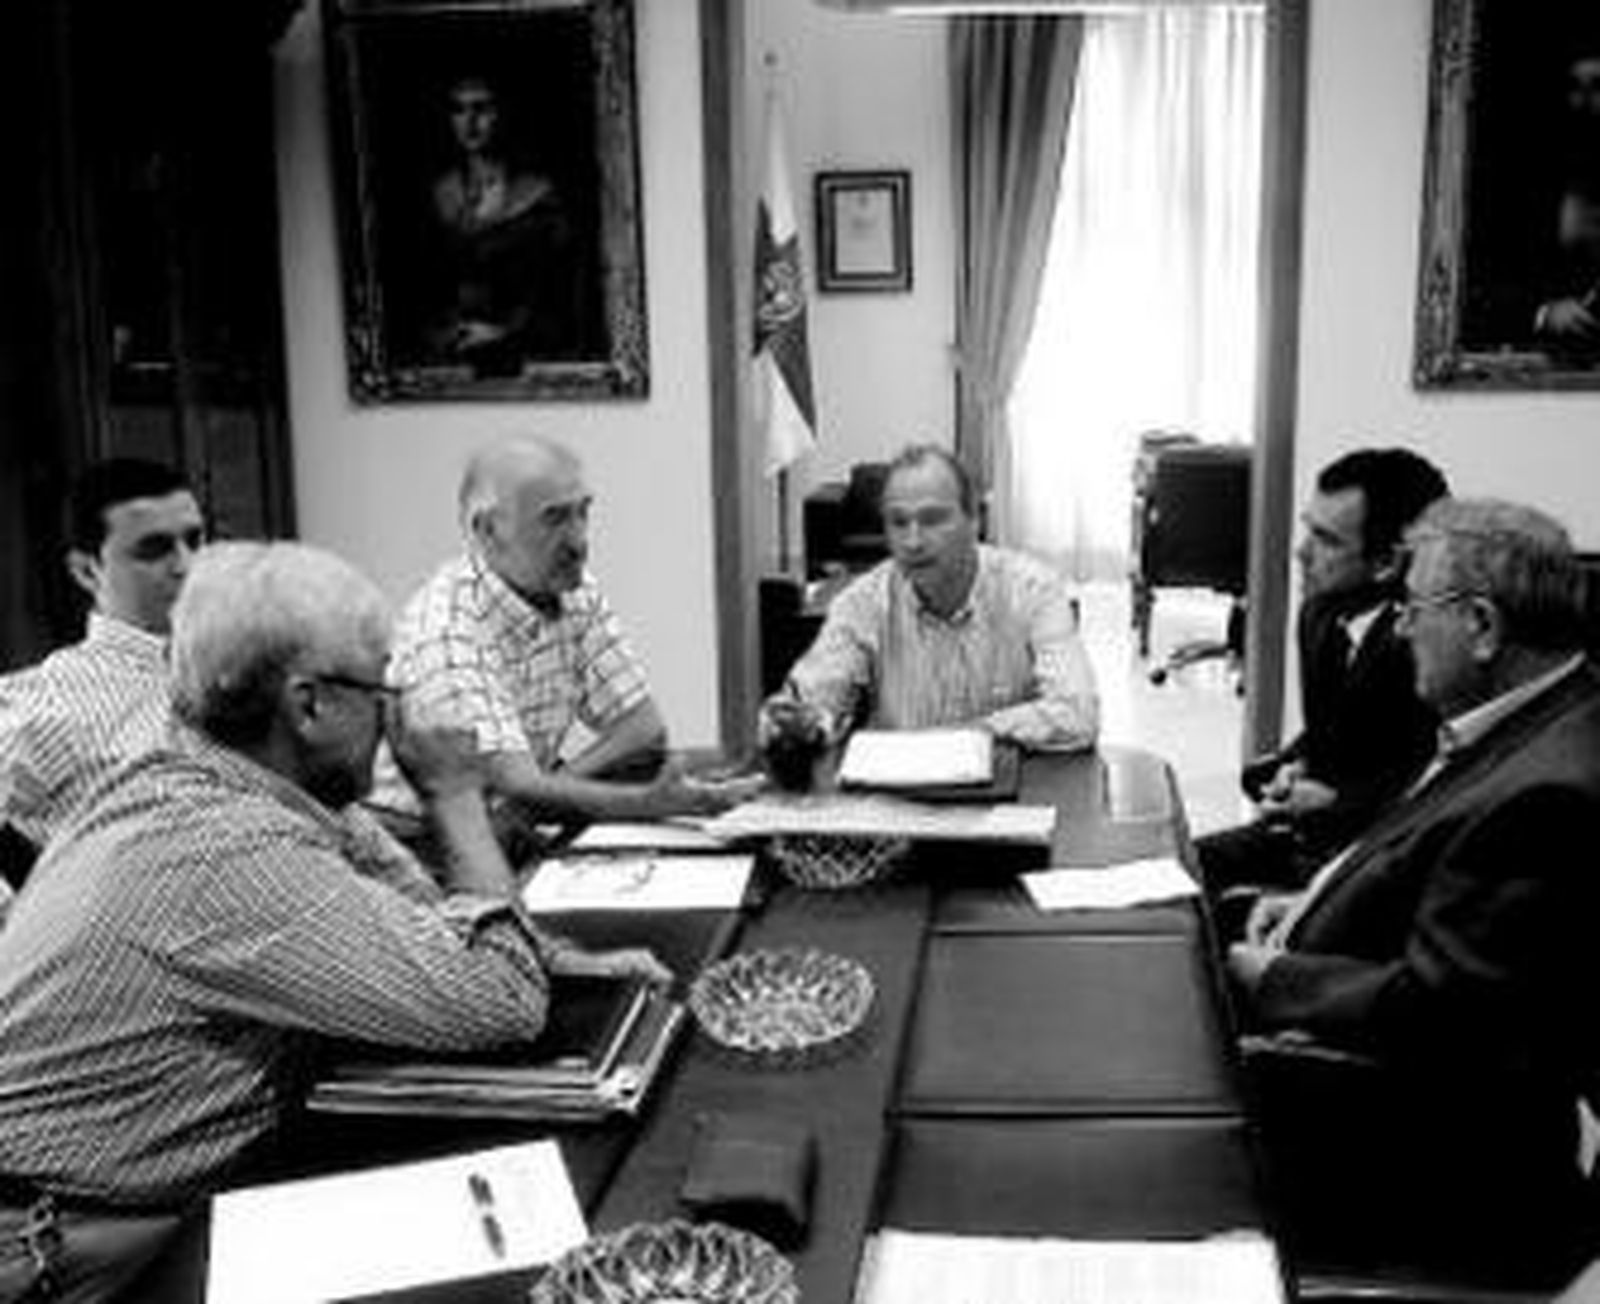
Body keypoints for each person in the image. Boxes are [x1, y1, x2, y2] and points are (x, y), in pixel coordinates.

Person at [0, 541, 665, 1301]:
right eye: (382, 689)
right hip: (68, 1243)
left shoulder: (208, 777)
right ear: (309, 704)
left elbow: (419, 908)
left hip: (116, 1197)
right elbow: (498, 1001)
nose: (396, 720)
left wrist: (552, 955)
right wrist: (454, 794)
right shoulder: (225, 849)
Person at [1227, 498, 1600, 1279]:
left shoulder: (1552, 792)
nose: (1396, 630)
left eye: (1412, 609)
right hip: (1369, 1063)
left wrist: (1279, 980)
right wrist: (1314, 901)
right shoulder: (1521, 719)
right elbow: (1418, 864)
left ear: (1484, 627)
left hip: (1437, 1167)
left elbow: (1445, 1016)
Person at [371, 435, 758, 843]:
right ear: (488, 530)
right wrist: (651, 801)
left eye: (583, 513)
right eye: (554, 519)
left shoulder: (570, 587)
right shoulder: (447, 630)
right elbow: (514, 784)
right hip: (425, 847)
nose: (579, 541)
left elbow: (643, 729)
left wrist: (551, 787)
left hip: (511, 826)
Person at [1197, 449, 1448, 890]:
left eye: (1327, 541)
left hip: (1381, 865)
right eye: (1308, 530)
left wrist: (1336, 803)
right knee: (1172, 868)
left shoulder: (1434, 644)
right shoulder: (1318, 614)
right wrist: (1292, 766)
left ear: (1388, 561)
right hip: (1308, 840)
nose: (1301, 552)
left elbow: (1439, 786)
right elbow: (1336, 734)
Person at [769, 443, 1099, 750]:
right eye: (899, 523)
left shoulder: (1033, 590)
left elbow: (1078, 712)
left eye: (932, 520)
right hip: (898, 801)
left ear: (974, 521)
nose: (913, 542)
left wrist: (975, 733)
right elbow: (814, 701)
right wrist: (799, 722)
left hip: (1008, 794)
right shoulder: (861, 603)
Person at [0, 458, 203, 876]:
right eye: (154, 549)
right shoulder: (40, 703)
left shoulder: (247, 668)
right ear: (86, 570)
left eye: (194, 540)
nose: (186, 565)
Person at [420, 74, 594, 375]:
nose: (470, 121)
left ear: (503, 114)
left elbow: (562, 294)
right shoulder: (442, 192)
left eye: (482, 108)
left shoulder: (538, 195)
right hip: (451, 360)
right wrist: (445, 330)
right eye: (459, 110)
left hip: (524, 356)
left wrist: (505, 332)